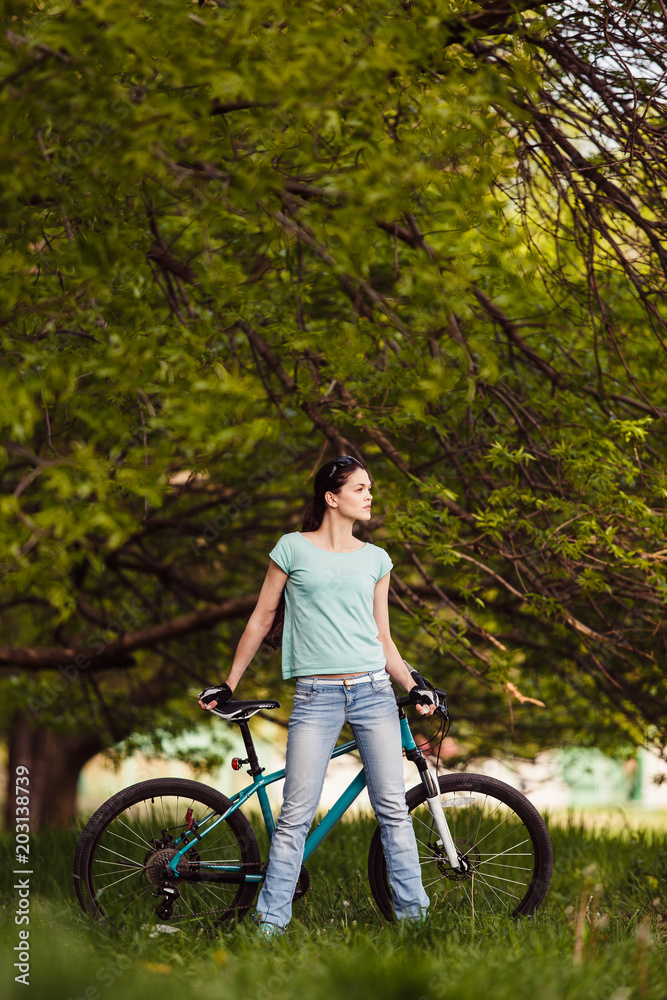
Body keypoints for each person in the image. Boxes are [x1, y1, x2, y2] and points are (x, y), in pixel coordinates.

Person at [198, 455, 438, 935]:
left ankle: (417, 925)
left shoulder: (376, 559)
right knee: (295, 816)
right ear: (332, 498)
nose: (370, 495)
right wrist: (231, 683)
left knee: (393, 809)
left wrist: (414, 684)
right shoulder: (291, 549)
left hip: (373, 692)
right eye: (360, 488)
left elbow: (383, 640)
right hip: (316, 698)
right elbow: (261, 618)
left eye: (371, 487)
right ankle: (269, 927)